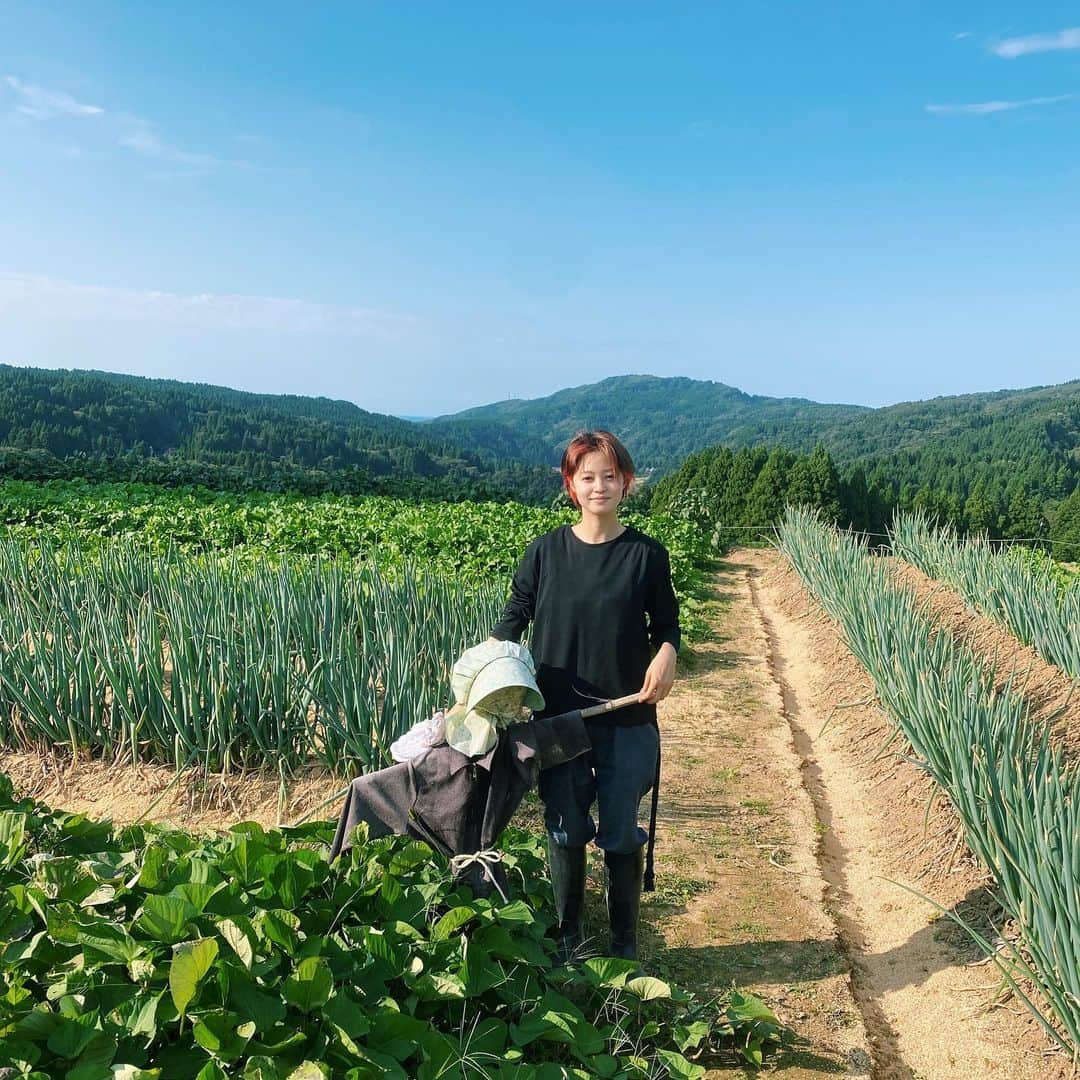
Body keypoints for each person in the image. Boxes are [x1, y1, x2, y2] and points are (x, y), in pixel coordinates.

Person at [490, 430, 679, 962]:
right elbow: (513, 618)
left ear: (627, 483)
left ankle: (623, 944)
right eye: (587, 476)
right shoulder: (546, 551)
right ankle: (568, 935)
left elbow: (667, 624)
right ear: (570, 485)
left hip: (627, 717)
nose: (600, 486)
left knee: (620, 829)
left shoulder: (646, 556)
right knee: (565, 823)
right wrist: (482, 674)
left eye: (610, 476)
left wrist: (666, 653)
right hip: (559, 719)